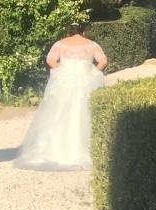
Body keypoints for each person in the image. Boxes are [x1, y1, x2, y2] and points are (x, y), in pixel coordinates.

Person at [14, 23, 108, 171]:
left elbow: (50, 60)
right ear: (83, 32)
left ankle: (56, 148)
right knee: (83, 113)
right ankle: (84, 149)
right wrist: (94, 72)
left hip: (65, 82)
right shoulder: (91, 44)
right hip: (85, 81)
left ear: (69, 32)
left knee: (58, 112)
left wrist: (61, 70)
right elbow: (103, 61)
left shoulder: (60, 44)